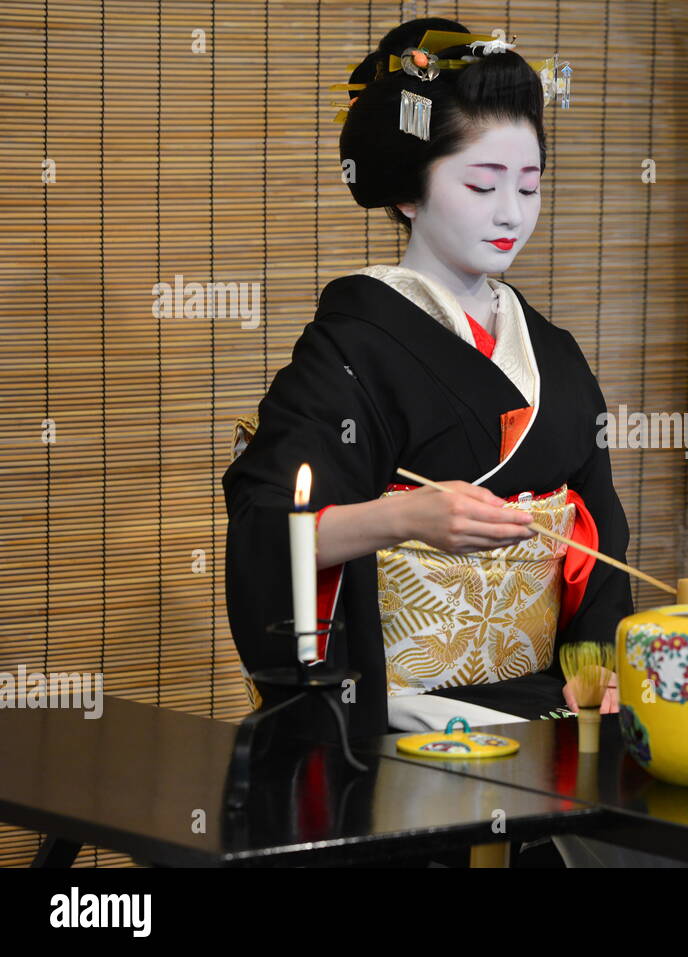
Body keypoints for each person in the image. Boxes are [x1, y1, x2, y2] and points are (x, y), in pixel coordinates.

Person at [222, 17, 631, 739]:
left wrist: (599, 671)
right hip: (400, 709)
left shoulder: (554, 355)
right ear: (408, 193)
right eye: (482, 184)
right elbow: (266, 532)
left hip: (545, 701)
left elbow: (599, 546)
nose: (511, 214)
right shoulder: (350, 349)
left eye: (529, 187)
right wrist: (408, 519)